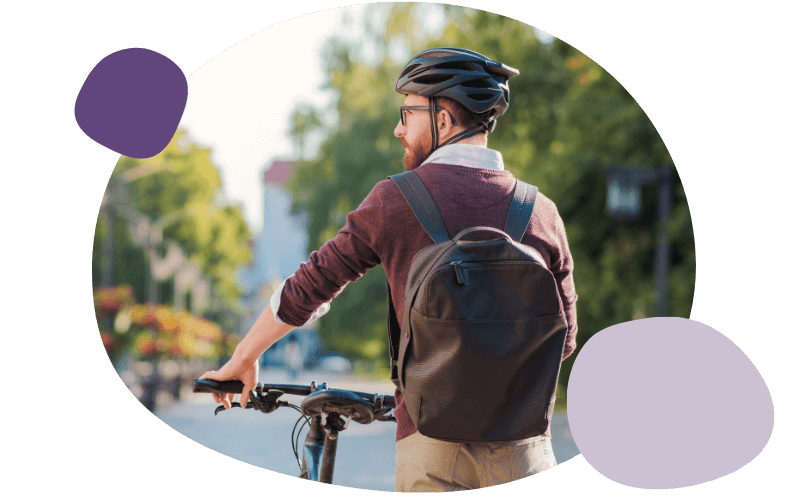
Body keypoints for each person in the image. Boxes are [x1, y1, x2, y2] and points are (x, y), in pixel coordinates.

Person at [201, 47, 578, 491]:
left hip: (431, 446)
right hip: (526, 449)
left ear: (443, 121)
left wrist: (243, 358)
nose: (399, 128)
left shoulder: (395, 200)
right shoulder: (541, 212)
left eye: (408, 112)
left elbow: (311, 287)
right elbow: (565, 336)